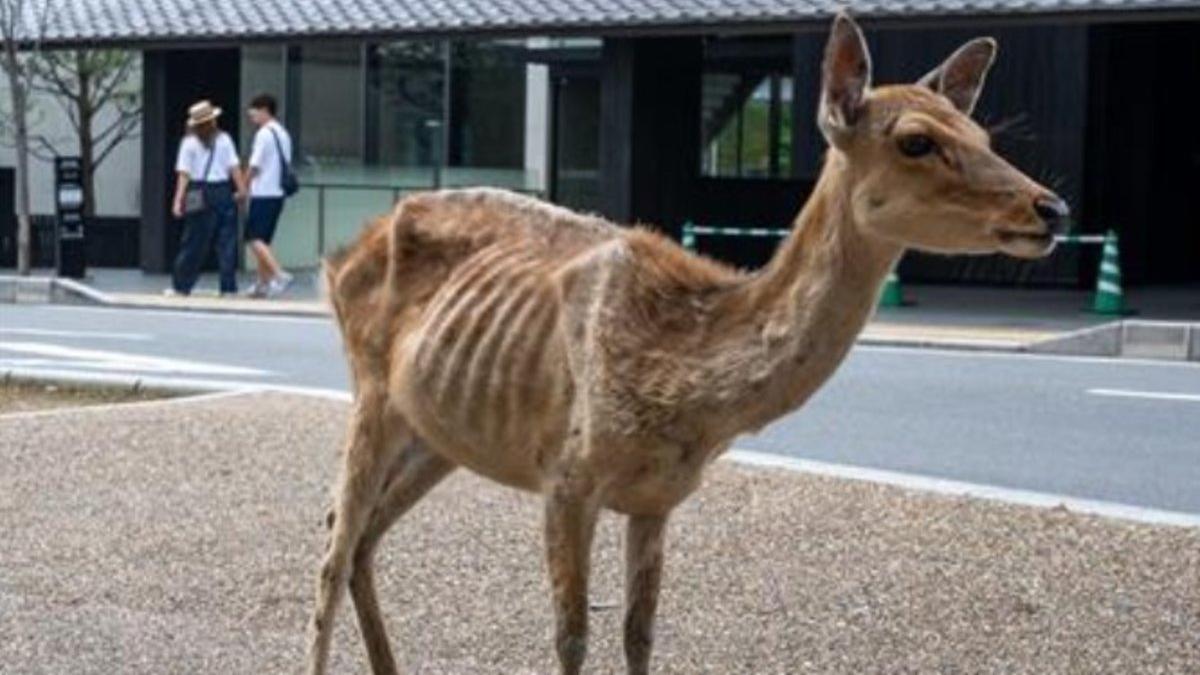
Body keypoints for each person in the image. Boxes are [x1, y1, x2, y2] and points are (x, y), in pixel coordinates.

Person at [167, 100, 244, 297]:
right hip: (222, 191)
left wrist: (178, 200)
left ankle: (182, 285)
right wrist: (242, 189)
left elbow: (184, 174)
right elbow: (233, 167)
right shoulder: (224, 140)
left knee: (193, 240)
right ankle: (228, 287)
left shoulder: (189, 143)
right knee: (226, 241)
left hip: (196, 190)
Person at [243, 93, 295, 298]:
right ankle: (261, 284)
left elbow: (255, 165)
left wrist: (243, 187)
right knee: (263, 240)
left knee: (253, 237)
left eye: (254, 113)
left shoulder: (264, 134)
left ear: (265, 110)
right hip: (278, 192)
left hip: (263, 191)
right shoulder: (283, 133)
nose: (252, 118)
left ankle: (278, 274)